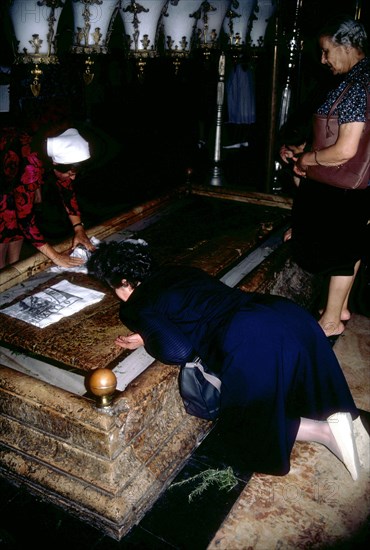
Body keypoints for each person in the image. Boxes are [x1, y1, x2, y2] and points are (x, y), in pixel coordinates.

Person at [86, 238, 368, 480]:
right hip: (284, 314)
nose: (117, 295)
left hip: (251, 336)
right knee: (305, 386)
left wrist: (148, 335)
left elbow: (178, 351)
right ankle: (345, 424)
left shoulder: (134, 304)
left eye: (114, 288)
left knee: (242, 428)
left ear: (123, 282)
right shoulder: (179, 270)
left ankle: (325, 433)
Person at [279, 16, 370, 338]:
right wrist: (307, 149)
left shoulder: (358, 85)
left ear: (347, 46)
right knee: (350, 246)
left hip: (341, 186)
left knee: (334, 252)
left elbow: (346, 149)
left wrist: (307, 158)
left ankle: (330, 320)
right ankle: (339, 308)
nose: (323, 59)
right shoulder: (361, 78)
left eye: (326, 51)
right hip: (354, 185)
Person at [0, 124, 96, 269]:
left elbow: (67, 191)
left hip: (15, 175)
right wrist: (56, 256)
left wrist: (78, 229)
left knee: (16, 235)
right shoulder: (30, 167)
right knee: (5, 222)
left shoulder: (54, 155)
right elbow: (26, 221)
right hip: (4, 178)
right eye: (70, 173)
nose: (73, 178)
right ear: (55, 163)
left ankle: (14, 268)